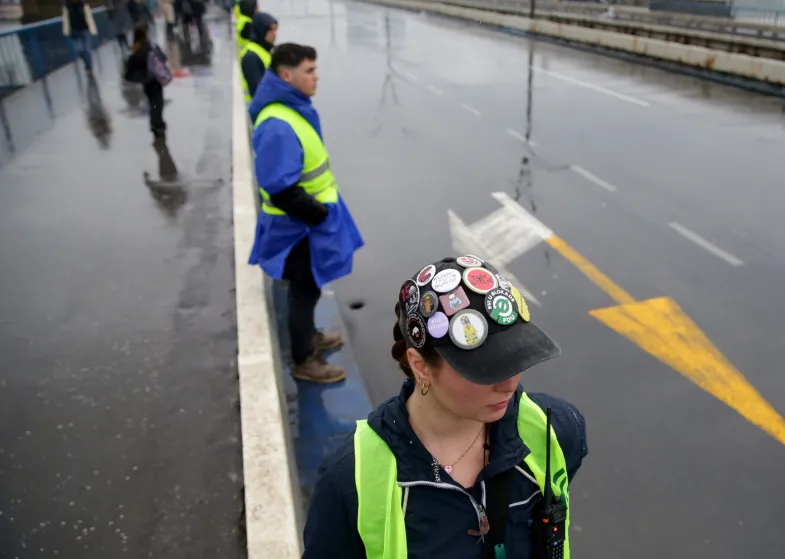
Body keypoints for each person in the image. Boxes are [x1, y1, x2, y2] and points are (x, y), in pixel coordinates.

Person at [302, 256, 588, 558]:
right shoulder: (351, 480)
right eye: (486, 369)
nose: (509, 385)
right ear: (420, 366)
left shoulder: (555, 430)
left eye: (516, 359)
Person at [248, 43, 365, 383]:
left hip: (303, 223)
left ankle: (309, 337)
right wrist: (318, 215)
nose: (317, 77)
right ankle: (304, 360)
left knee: (309, 287)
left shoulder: (290, 109)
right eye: (309, 71)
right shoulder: (277, 123)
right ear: (287, 75)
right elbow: (280, 188)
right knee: (304, 289)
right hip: (295, 226)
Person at [124, 23, 170, 140]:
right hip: (156, 79)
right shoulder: (151, 47)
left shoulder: (135, 51)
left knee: (152, 103)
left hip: (146, 83)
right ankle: (157, 125)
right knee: (157, 103)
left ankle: (156, 123)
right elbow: (163, 58)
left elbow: (129, 73)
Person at [240, 12, 276, 102]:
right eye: (270, 30)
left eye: (275, 30)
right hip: (255, 109)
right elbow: (257, 89)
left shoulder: (264, 50)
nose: (274, 34)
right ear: (261, 31)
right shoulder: (251, 56)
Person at [62, 0, 98, 73]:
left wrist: (93, 30)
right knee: (79, 50)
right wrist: (66, 31)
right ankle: (87, 64)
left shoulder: (83, 4)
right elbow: (65, 20)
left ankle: (89, 66)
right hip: (75, 32)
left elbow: (89, 17)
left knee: (87, 50)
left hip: (85, 30)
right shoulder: (67, 7)